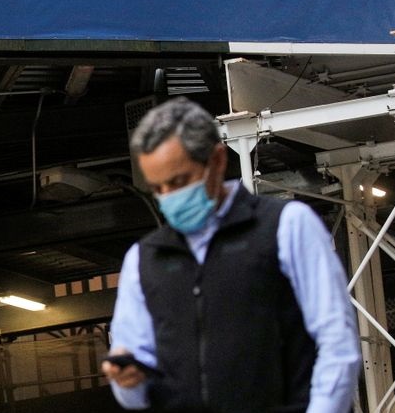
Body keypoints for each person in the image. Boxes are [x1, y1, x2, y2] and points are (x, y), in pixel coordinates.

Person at [102, 97, 360, 413]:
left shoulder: (287, 226)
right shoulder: (142, 260)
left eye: (180, 181)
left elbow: (336, 343)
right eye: (158, 188)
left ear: (218, 160)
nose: (169, 197)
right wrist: (127, 379)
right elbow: (135, 393)